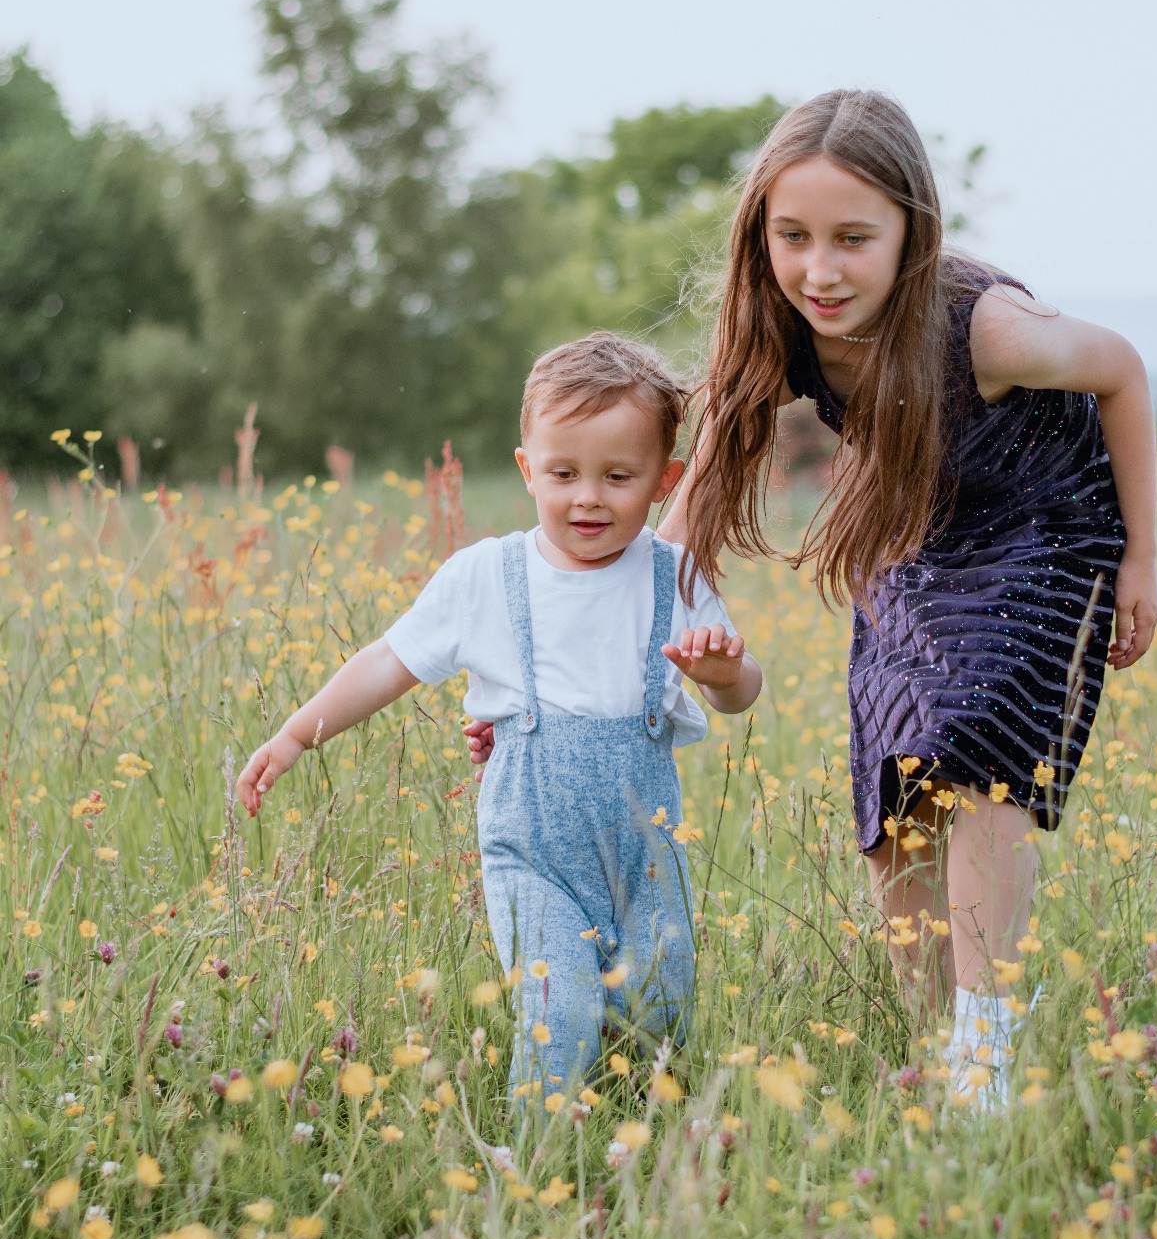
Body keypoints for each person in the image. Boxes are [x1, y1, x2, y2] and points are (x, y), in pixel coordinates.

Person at [661, 89, 1157, 1101]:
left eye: (854, 237)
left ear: (911, 233)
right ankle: (938, 1045)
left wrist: (1141, 559)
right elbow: (697, 499)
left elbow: (1123, 370)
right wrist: (629, 612)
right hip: (917, 526)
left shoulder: (993, 331)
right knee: (893, 792)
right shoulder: (780, 323)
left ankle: (985, 1049)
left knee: (978, 741)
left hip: (1043, 530)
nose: (820, 268)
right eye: (792, 236)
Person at [236, 333, 762, 1101]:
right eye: (562, 474)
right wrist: (293, 735)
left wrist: (722, 675)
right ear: (526, 470)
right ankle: (537, 1154)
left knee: (659, 1008)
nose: (587, 497)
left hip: (647, 850)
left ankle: (638, 1150)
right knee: (562, 1009)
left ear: (663, 480)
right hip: (532, 852)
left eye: (618, 476)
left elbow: (738, 691)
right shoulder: (488, 576)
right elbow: (388, 660)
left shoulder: (670, 575)